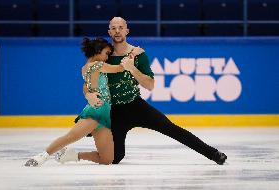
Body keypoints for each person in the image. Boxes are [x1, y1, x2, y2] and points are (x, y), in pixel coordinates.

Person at [57, 17, 227, 165]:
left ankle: (213, 154)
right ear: (109, 32)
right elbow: (88, 80)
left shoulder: (138, 55)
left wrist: (132, 69)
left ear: (127, 30)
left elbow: (150, 85)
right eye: (113, 28)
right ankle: (74, 155)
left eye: (120, 27)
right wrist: (88, 93)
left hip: (136, 106)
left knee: (173, 129)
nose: (117, 31)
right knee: (115, 158)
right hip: (114, 112)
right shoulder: (103, 55)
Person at [25, 37, 134, 166]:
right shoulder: (97, 65)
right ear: (98, 51)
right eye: (106, 53)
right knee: (71, 136)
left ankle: (72, 155)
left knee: (107, 159)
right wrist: (131, 57)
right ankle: (42, 156)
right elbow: (120, 69)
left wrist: (88, 94)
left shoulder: (85, 68)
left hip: (105, 112)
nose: (107, 57)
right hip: (97, 110)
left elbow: (87, 86)